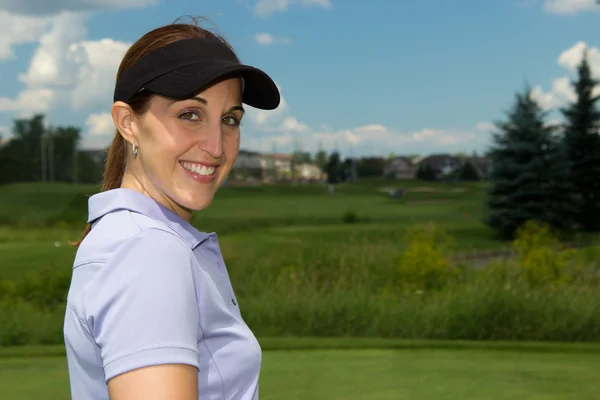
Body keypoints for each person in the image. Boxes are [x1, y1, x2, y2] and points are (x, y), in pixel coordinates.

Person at [63, 18, 280, 400]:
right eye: (190, 115)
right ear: (128, 123)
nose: (216, 146)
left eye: (229, 120)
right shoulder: (147, 252)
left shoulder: (130, 240)